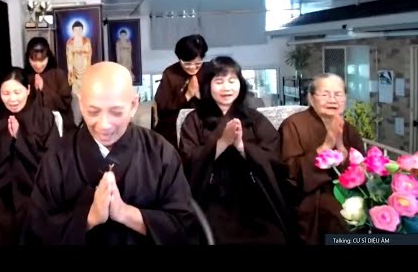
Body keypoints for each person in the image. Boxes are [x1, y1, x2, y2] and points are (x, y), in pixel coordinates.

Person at [23, 62, 200, 245]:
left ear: (133, 105)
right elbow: (37, 228)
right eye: (93, 111)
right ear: (81, 104)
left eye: (116, 112)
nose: (104, 125)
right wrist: (89, 218)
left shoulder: (160, 153)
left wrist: (125, 213)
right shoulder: (57, 157)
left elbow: (184, 227)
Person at [179, 56, 295, 244]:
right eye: (219, 81)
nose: (227, 88)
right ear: (208, 85)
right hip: (210, 195)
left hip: (254, 194)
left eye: (232, 81)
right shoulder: (195, 119)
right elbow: (186, 159)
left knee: (273, 235)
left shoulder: (254, 118)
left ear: (240, 84)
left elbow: (275, 159)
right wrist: (221, 143)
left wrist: (242, 147)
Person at [0, 68, 61, 245]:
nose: (12, 99)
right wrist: (4, 141)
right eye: (6, 93)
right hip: (0, 187)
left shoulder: (44, 117)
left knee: (35, 215)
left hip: (36, 186)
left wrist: (21, 139)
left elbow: (53, 160)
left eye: (17, 92)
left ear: (28, 90)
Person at [279, 73, 365, 245]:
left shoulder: (350, 129)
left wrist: (341, 148)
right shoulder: (293, 124)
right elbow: (289, 173)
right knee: (337, 216)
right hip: (309, 197)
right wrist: (326, 145)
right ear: (311, 98)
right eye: (325, 94)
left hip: (349, 194)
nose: (332, 100)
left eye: (338, 94)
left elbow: (362, 169)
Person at [153, 34, 209, 148]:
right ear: (179, 59)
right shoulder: (170, 73)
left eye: (198, 63)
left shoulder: (209, 70)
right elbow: (162, 106)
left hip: (205, 121)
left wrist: (199, 95)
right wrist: (187, 95)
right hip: (174, 124)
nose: (192, 67)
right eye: (187, 63)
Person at [23, 37, 75, 133]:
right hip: (34, 127)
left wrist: (44, 88)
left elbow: (65, 104)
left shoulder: (59, 74)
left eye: (42, 60)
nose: (38, 65)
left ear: (48, 57)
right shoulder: (25, 76)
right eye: (34, 60)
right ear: (28, 58)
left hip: (60, 127)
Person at [66, 20, 92, 95]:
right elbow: (69, 57)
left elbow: (88, 53)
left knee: (86, 91)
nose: (78, 32)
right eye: (76, 30)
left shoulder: (86, 41)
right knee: (75, 92)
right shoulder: (70, 42)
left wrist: (77, 50)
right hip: (75, 67)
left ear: (82, 30)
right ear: (73, 31)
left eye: (80, 29)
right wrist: (71, 71)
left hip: (84, 66)